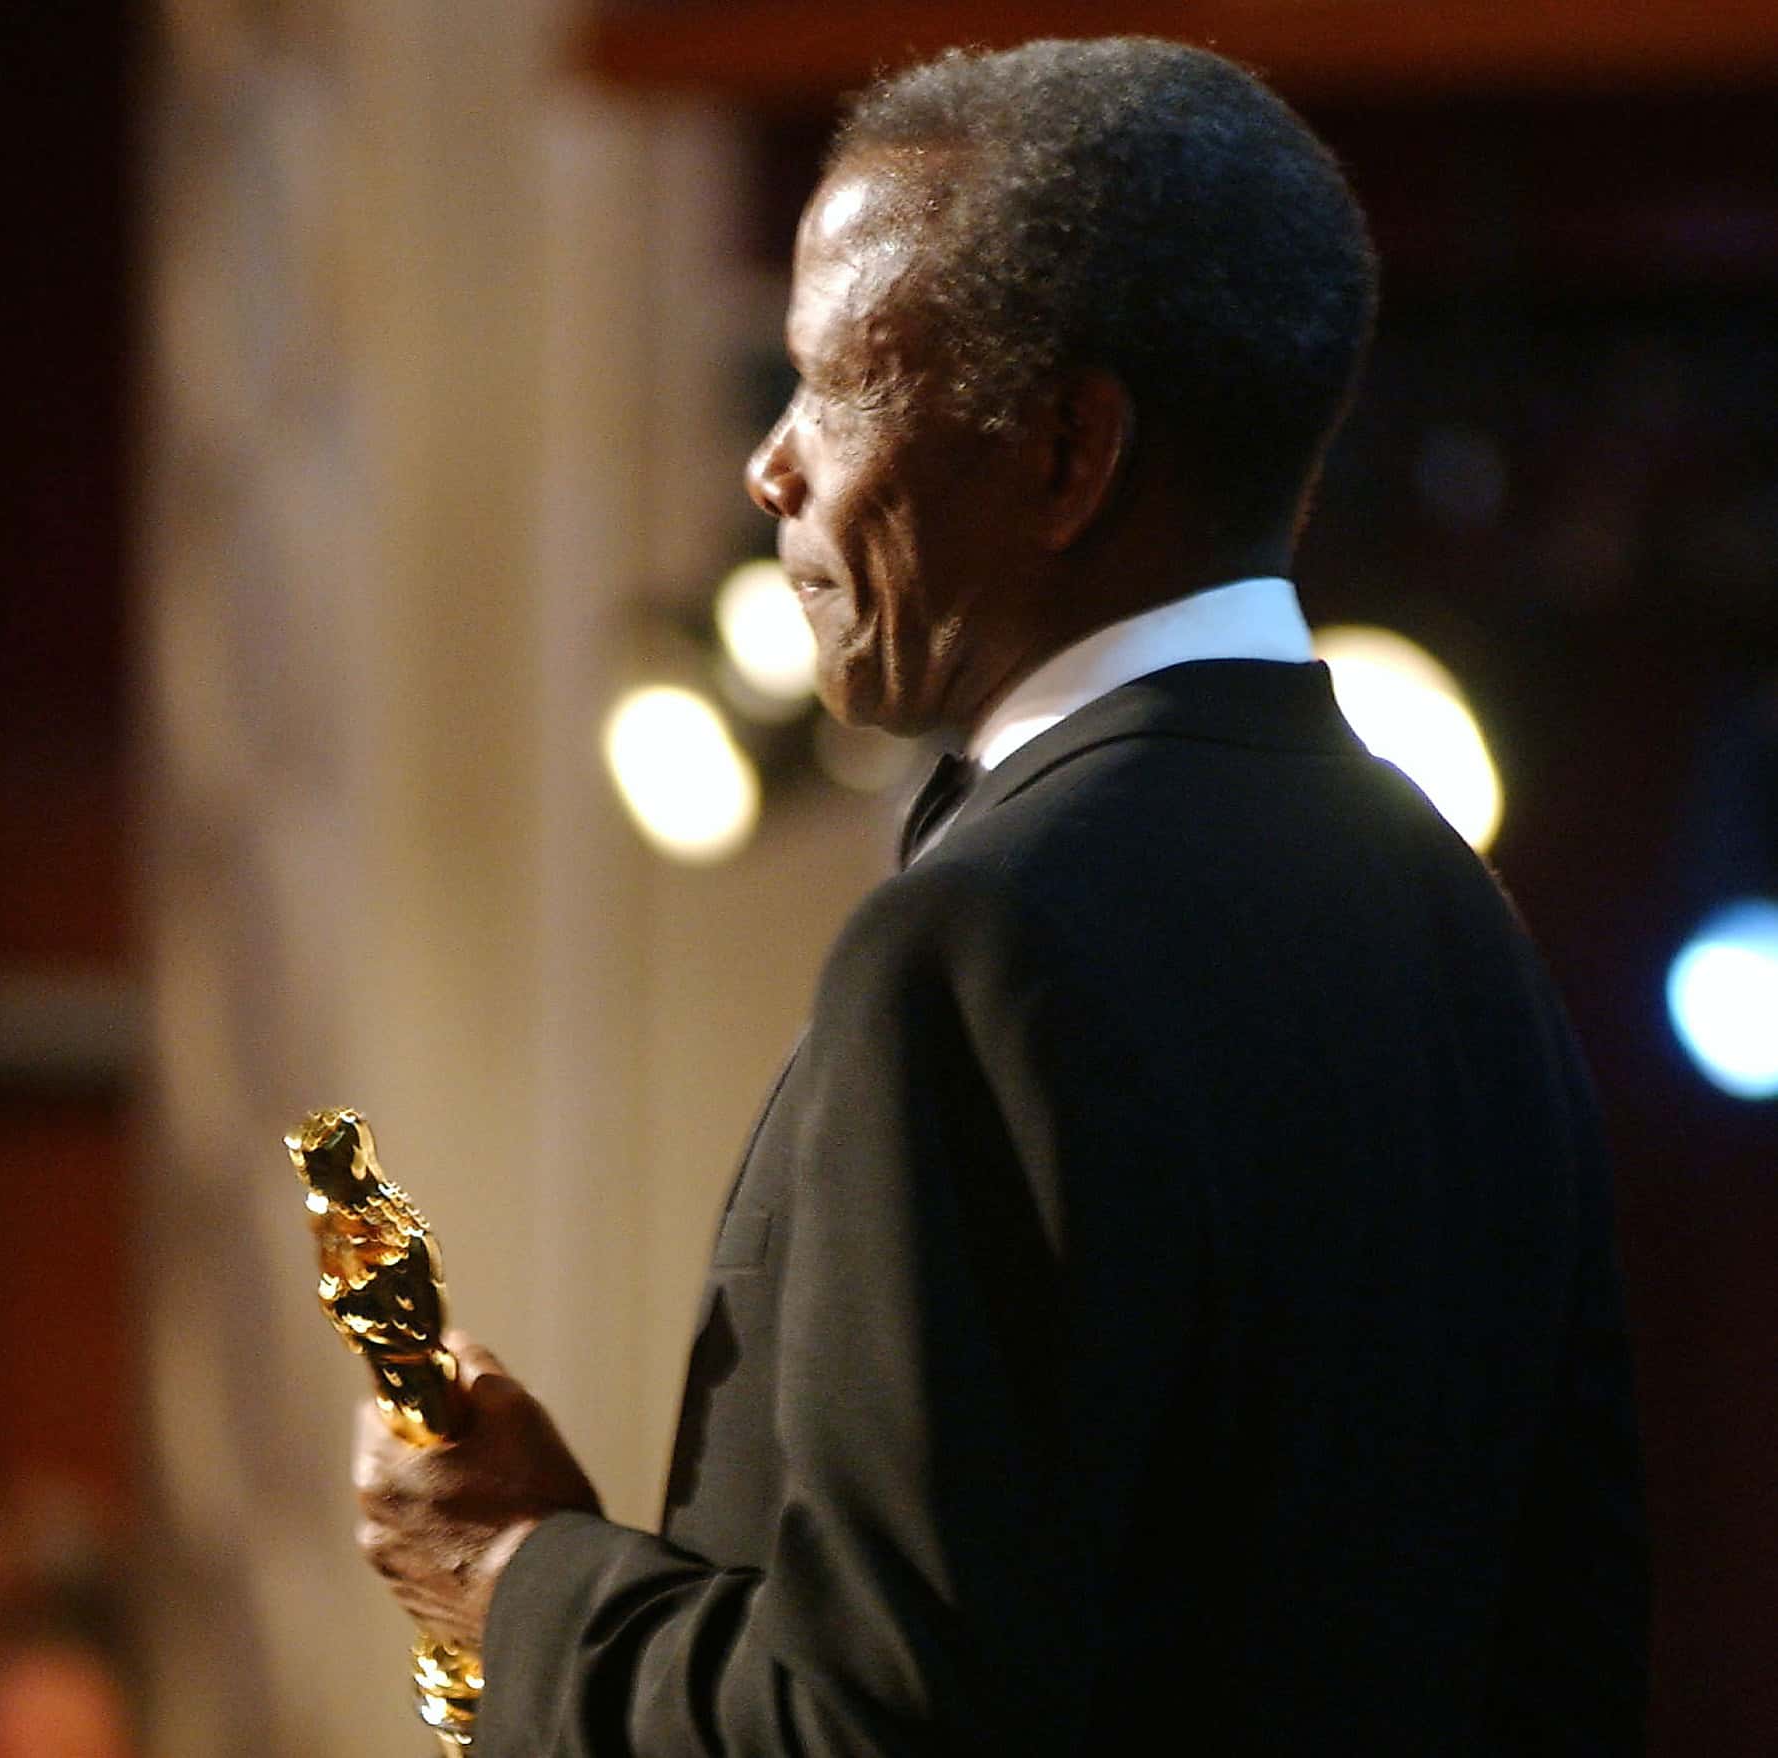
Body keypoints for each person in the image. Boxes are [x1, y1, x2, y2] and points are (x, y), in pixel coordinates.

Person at [351, 36, 1650, 1754]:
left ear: (1065, 456)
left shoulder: (987, 944)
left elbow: (880, 1726)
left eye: (829, 387)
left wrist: (517, 1584)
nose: (772, 469)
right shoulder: (1455, 919)